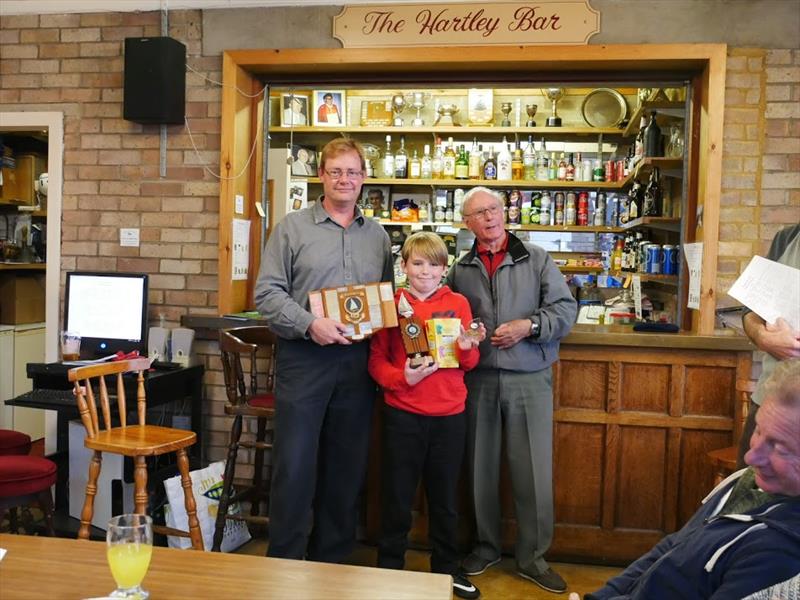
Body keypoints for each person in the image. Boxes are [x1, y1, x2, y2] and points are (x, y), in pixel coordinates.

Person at [255, 137, 393, 563]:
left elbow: (383, 295)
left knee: (346, 469)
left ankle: (330, 563)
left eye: (353, 172)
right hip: (305, 359)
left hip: (357, 364)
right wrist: (309, 324)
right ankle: (285, 564)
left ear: (364, 178)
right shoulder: (292, 228)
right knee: (295, 467)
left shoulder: (378, 236)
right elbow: (267, 293)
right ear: (321, 176)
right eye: (336, 171)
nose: (344, 179)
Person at [577, 358, 800, 600]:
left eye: (779, 448)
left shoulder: (779, 552)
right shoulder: (749, 481)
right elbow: (673, 547)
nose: (750, 455)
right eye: (757, 430)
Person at [445, 187, 577, 593]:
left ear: (504, 212)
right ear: (466, 223)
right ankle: (485, 548)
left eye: (494, 209)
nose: (489, 218)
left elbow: (565, 309)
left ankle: (533, 558)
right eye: (478, 213)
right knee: (479, 468)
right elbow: (448, 318)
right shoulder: (460, 268)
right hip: (478, 379)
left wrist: (530, 326)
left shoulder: (535, 258)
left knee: (533, 471)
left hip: (529, 376)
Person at [368, 232, 486, 600]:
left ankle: (448, 570)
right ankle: (390, 567)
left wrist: (468, 348)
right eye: (417, 263)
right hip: (402, 412)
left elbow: (468, 362)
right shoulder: (392, 305)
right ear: (403, 266)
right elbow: (376, 360)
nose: (425, 271)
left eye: (433, 264)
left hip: (449, 413)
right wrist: (401, 378)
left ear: (444, 268)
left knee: (445, 498)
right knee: (397, 496)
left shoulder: (459, 303)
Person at [737, 224, 800, 466]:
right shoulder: (787, 238)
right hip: (768, 404)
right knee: (746, 497)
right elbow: (750, 311)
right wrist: (763, 337)